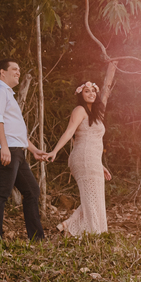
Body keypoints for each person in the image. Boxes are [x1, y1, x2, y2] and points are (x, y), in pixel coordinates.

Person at [0, 58, 47, 241]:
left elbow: (15, 129)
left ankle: (37, 239)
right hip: (7, 148)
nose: (18, 72)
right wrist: (4, 146)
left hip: (16, 149)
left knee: (32, 191)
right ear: (3, 72)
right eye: (14, 69)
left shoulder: (7, 94)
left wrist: (33, 150)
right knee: (1, 193)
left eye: (19, 69)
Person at [46, 80, 111, 236]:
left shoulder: (95, 114)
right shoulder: (79, 110)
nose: (91, 94)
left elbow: (96, 142)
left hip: (93, 160)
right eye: (86, 91)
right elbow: (69, 132)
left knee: (95, 197)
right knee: (92, 197)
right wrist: (54, 151)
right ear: (80, 94)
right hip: (83, 157)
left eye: (93, 91)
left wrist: (100, 164)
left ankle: (68, 226)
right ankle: (91, 233)